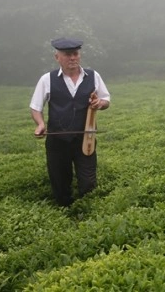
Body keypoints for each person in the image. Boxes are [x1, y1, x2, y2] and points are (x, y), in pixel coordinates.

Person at [30, 37, 111, 207]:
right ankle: (65, 214)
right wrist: (40, 124)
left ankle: (87, 212)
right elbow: (36, 107)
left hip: (86, 139)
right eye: (67, 54)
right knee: (60, 184)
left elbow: (106, 100)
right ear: (57, 57)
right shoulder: (47, 79)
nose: (72, 58)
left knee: (88, 182)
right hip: (57, 141)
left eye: (75, 54)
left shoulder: (93, 76)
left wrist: (100, 103)